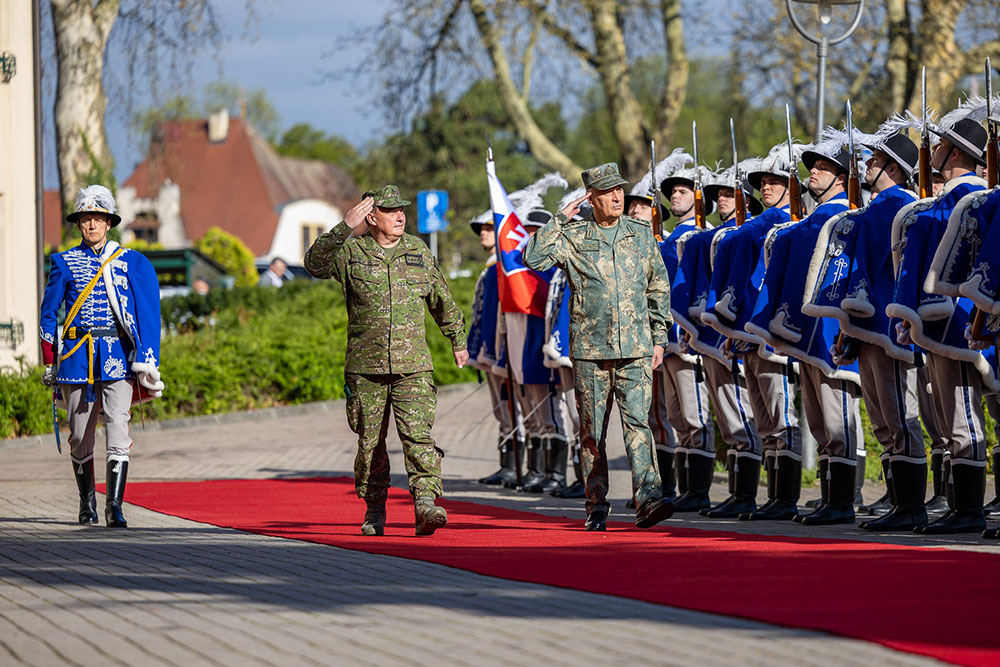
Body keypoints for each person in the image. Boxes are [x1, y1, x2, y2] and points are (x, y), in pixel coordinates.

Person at [304, 185, 468, 537]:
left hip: (413, 366)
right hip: (367, 367)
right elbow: (314, 264)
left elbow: (441, 297)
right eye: (390, 211)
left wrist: (457, 339)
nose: (400, 216)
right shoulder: (351, 252)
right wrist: (344, 226)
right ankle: (375, 507)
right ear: (371, 217)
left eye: (401, 210)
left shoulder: (417, 250)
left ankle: (425, 504)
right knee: (370, 443)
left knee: (418, 436)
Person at [523, 162, 674, 531]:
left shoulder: (640, 233)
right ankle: (596, 504)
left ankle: (648, 498)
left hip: (636, 348)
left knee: (638, 425)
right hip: (591, 351)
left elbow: (657, 287)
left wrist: (659, 337)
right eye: (608, 192)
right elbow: (532, 258)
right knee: (593, 434)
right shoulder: (574, 236)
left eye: (619, 189)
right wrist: (559, 219)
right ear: (591, 198)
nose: (618, 196)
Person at [804, 122, 925, 530]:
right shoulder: (875, 209)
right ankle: (899, 502)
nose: (867, 165)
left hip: (889, 325)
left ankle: (911, 506)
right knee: (884, 422)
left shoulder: (902, 205)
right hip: (867, 326)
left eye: (875, 160)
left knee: (899, 417)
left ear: (892, 166)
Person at [888, 110, 994, 534]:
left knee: (962, 417)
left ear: (954, 153)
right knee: (950, 418)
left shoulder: (968, 200)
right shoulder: (947, 202)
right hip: (948, 320)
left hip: (961, 318)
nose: (933, 150)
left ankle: (969, 510)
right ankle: (960, 506)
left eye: (941, 144)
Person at [746, 135, 861, 526]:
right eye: (812, 166)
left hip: (830, 331)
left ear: (842, 178)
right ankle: (831, 498)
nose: (813, 172)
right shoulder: (813, 218)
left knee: (837, 419)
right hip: (807, 331)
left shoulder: (845, 215)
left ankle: (842, 501)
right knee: (820, 421)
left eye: (823, 167)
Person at [40, 185, 164, 528]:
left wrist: (147, 357)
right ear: (78, 224)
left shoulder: (130, 262)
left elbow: (147, 313)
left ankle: (115, 506)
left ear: (109, 223)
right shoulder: (63, 263)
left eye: (98, 218)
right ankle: (86, 501)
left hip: (117, 356)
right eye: (85, 219)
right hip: (77, 357)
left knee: (118, 427)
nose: (91, 224)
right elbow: (48, 315)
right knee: (80, 435)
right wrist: (49, 360)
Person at [702, 143, 803, 521]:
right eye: (762, 182)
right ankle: (762, 497)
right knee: (764, 421)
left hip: (775, 333)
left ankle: (785, 498)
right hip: (750, 333)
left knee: (781, 417)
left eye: (774, 181)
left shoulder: (787, 223)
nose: (765, 186)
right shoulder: (760, 226)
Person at [657, 165, 717, 512]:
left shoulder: (699, 236)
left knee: (695, 416)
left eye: (682, 191)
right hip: (666, 339)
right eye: (673, 192)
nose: (674, 196)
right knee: (678, 418)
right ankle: (685, 488)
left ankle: (699, 489)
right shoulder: (671, 238)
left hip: (686, 336)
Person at [467, 210, 523, 487]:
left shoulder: (502, 267)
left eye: (489, 228)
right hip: (488, 348)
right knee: (501, 410)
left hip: (500, 348)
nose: (483, 232)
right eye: (481, 229)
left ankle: (516, 467)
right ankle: (506, 465)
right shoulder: (490, 266)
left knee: (510, 408)